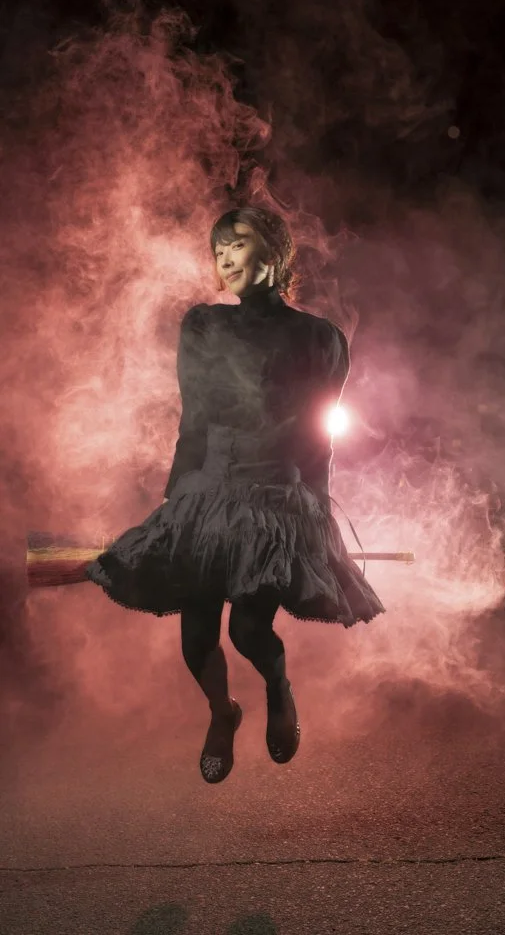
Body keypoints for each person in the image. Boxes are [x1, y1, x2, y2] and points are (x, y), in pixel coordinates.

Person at [85, 206, 385, 784]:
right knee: (195, 639)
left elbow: (318, 435)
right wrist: (177, 503)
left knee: (247, 631)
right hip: (207, 493)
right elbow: (193, 419)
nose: (224, 257)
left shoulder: (319, 338)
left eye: (237, 243)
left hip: (273, 502)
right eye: (217, 248)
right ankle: (223, 713)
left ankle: (278, 688)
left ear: (273, 252)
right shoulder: (203, 325)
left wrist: (319, 517)